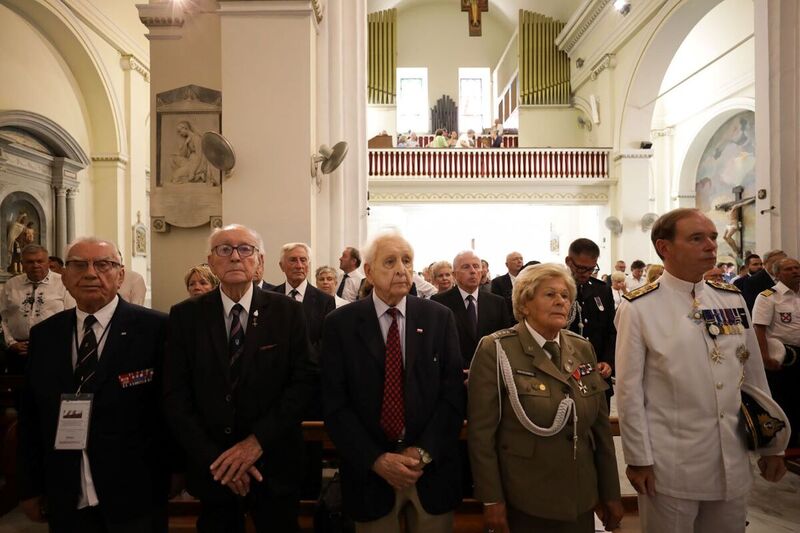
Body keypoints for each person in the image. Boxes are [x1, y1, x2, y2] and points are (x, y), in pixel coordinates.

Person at [615, 208, 787, 533]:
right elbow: (629, 391)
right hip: (671, 462)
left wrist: (772, 443)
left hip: (731, 457)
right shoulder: (639, 307)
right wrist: (638, 458)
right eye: (697, 238)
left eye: (711, 237)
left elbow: (753, 377)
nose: (710, 245)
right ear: (664, 248)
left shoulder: (731, 300)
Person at [165, 224, 314, 532]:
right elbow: (175, 395)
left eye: (245, 249)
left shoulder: (287, 312)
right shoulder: (185, 316)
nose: (235, 257)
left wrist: (255, 444)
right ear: (211, 261)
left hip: (273, 460)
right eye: (224, 249)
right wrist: (219, 460)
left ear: (258, 261)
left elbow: (304, 383)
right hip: (213, 466)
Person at [18, 237, 170, 531]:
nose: (90, 273)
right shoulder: (45, 335)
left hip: (135, 489)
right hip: (65, 487)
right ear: (64, 275)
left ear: (121, 274)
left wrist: (175, 471)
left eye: (103, 264)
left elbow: (168, 407)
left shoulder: (155, 329)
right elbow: (31, 417)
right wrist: (29, 486)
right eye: (78, 264)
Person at [321, 232, 464, 532]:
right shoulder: (340, 324)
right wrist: (376, 460)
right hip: (370, 473)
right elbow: (335, 402)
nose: (401, 269)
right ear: (370, 272)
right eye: (390, 261)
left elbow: (452, 396)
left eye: (407, 261)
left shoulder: (439, 317)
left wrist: (421, 453)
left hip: (429, 472)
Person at [468, 263, 623, 533]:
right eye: (550, 294)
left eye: (565, 296)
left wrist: (610, 492)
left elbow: (599, 430)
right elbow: (482, 435)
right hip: (525, 496)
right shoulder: (497, 349)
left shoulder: (582, 348)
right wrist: (492, 499)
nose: (561, 301)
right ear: (524, 304)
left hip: (580, 495)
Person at [431, 251, 513, 368]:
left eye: (476, 266)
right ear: (454, 274)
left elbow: (504, 341)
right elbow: (438, 343)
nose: (473, 271)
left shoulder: (497, 302)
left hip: (490, 372)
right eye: (466, 267)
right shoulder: (439, 302)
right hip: (455, 374)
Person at [752, 257, 800, 448]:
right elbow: (759, 329)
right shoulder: (768, 297)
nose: (796, 271)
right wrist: (765, 358)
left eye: (797, 268)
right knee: (784, 399)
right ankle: (786, 441)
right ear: (777, 274)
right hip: (784, 357)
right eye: (789, 269)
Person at [0, 244, 75, 362]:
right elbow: (3, 317)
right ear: (22, 263)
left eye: (40, 261)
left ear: (48, 262)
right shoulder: (11, 284)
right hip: (18, 350)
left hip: (53, 349)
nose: (35, 265)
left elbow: (72, 317)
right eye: (30, 262)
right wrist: (11, 342)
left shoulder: (62, 283)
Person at [564, 239, 616, 406]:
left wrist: (608, 361)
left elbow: (611, 330)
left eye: (591, 269)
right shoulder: (556, 288)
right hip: (565, 375)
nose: (586, 273)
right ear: (568, 261)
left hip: (597, 376)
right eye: (581, 268)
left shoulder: (601, 290)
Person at [170, 120, 210, 185]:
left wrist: (193, 171)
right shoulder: (188, 139)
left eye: (180, 131)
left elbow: (200, 156)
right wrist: (185, 145)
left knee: (175, 175)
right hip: (190, 161)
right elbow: (184, 155)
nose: (180, 133)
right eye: (178, 132)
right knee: (172, 158)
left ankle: (192, 177)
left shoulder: (196, 138)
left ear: (185, 128)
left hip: (195, 164)